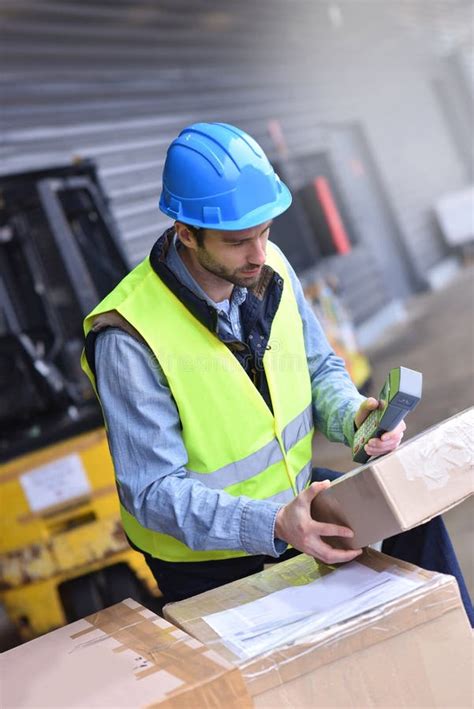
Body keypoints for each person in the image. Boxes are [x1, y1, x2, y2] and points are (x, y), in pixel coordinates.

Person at [82, 123, 472, 624]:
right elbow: (153, 493)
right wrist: (274, 524)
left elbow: (319, 367)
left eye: (266, 232)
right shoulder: (128, 337)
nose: (259, 254)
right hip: (209, 560)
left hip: (296, 503)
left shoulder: (271, 267)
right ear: (185, 233)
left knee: (411, 516)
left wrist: (353, 417)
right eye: (239, 241)